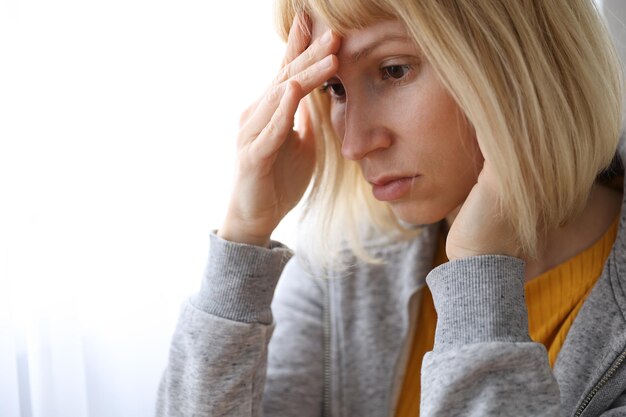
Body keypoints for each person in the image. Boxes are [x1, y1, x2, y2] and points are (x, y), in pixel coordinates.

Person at [156, 0, 626, 415]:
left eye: (394, 70)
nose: (354, 144)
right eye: (334, 89)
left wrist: (481, 277)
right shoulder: (345, 272)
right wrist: (242, 238)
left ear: (519, 60)